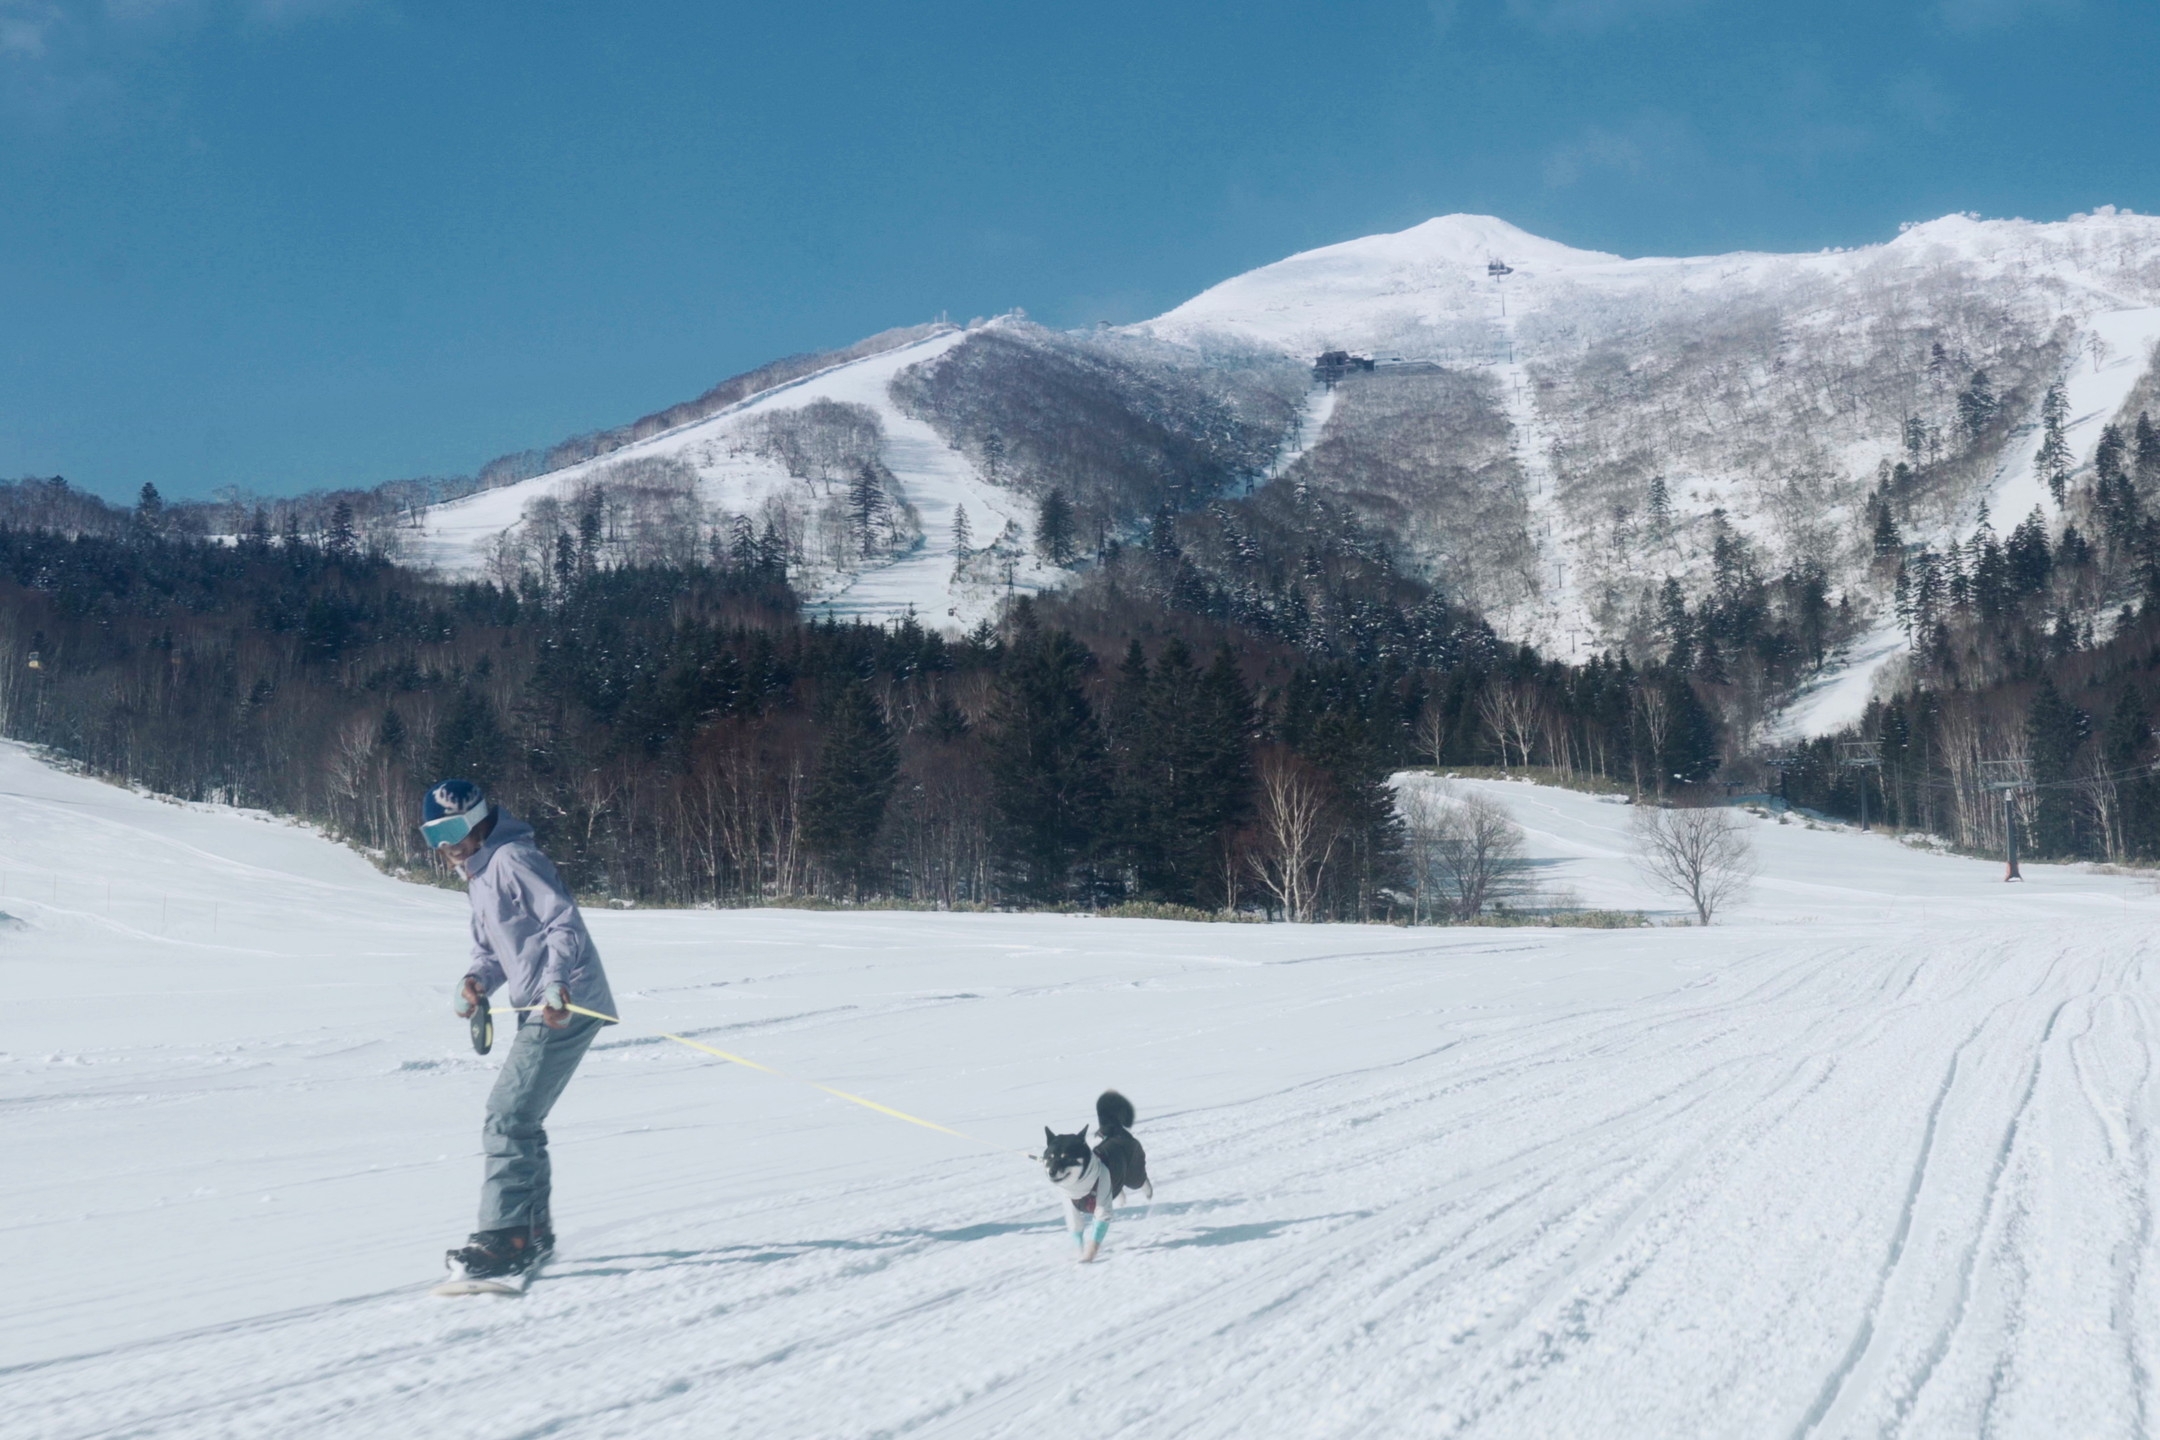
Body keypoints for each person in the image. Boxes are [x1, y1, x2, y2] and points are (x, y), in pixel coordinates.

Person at [423, 779, 617, 1281]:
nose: (444, 846)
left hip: (567, 1003)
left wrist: (555, 984)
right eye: (431, 836)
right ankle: (530, 1233)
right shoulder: (478, 875)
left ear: (478, 820)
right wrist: (475, 982)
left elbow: (563, 923)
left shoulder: (512, 859)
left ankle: (506, 1236)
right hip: (544, 1003)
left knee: (507, 1116)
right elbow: (491, 951)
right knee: (520, 1119)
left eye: (449, 829)